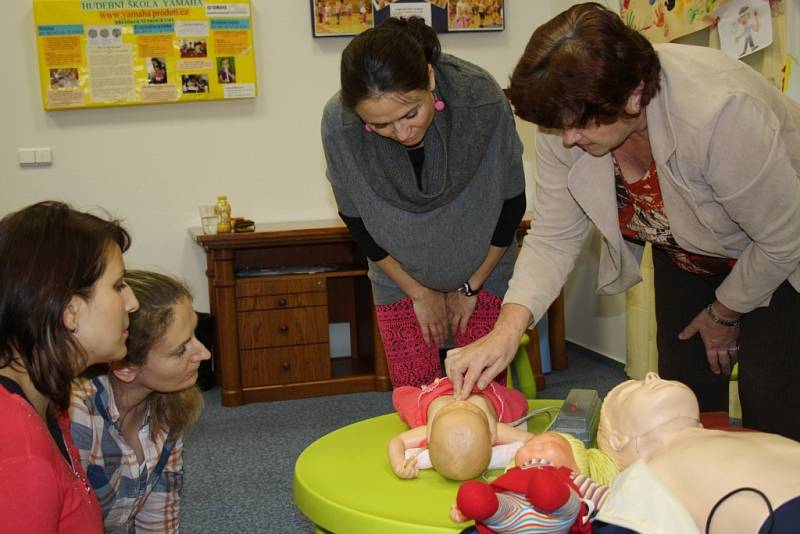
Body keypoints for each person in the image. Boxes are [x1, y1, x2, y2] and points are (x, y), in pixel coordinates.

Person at [445, 2, 800, 440]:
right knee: (680, 392)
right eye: (560, 128)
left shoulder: (718, 113)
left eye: (579, 126)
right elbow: (554, 238)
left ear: (634, 95)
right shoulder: (568, 119)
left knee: (772, 392)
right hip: (686, 248)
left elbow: (782, 239)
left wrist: (723, 313)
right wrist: (505, 331)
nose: (568, 139)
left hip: (780, 253)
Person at [321, 17, 526, 388]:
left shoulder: (481, 99)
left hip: (485, 273)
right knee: (415, 397)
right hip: (399, 280)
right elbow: (357, 222)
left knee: (480, 400)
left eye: (411, 113)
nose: (402, 133)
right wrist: (418, 292)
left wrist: (471, 287)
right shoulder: (339, 125)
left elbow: (512, 204)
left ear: (430, 79)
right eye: (379, 125)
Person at [0, 201, 140, 533]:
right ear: (70, 310)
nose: (132, 302)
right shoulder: (22, 458)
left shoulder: (43, 397)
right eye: (118, 285)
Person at [70, 270, 210, 533]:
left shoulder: (170, 404)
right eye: (181, 349)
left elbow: (159, 515)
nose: (204, 353)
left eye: (194, 335)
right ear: (124, 367)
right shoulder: (78, 418)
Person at [593, 373, 800, 533]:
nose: (651, 375)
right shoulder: (640, 477)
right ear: (617, 439)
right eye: (630, 392)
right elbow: (620, 522)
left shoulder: (728, 437)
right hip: (786, 516)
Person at [388, 376, 530, 480]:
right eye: (472, 411)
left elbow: (397, 441)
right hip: (483, 389)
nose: (459, 403)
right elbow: (528, 439)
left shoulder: (431, 432)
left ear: (429, 437)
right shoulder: (493, 431)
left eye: (447, 412)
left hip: (436, 393)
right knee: (518, 402)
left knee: (404, 398)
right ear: (490, 435)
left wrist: (399, 464)